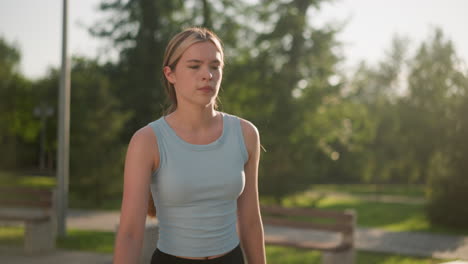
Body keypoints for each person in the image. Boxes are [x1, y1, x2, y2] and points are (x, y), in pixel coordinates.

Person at [113, 27, 266, 264]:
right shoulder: (147, 141)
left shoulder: (245, 134)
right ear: (170, 74)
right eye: (194, 66)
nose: (207, 75)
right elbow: (131, 234)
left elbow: (250, 221)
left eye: (215, 66)